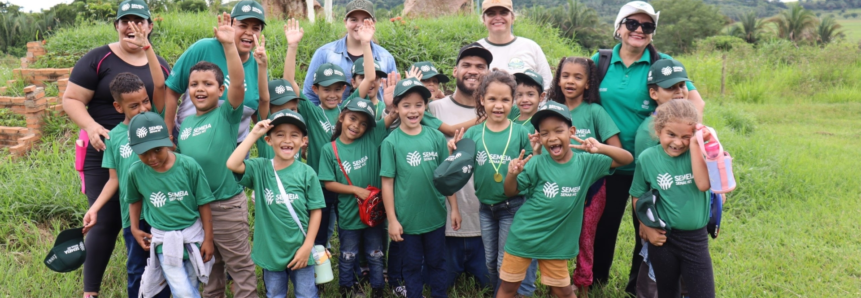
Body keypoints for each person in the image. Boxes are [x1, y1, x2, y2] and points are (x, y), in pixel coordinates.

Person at [590, 2, 705, 293]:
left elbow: (694, 102)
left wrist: (693, 139)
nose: (639, 30)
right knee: (603, 226)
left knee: (648, 227)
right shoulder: (600, 60)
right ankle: (596, 281)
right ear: (619, 27)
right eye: (632, 24)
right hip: (608, 162)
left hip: (651, 162)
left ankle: (638, 285)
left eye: (647, 26)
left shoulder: (661, 62)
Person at [62, 1, 170, 296]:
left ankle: (153, 281)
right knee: (105, 219)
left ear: (150, 26)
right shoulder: (98, 58)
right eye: (125, 21)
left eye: (139, 21)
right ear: (116, 25)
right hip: (105, 152)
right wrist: (92, 126)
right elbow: (71, 99)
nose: (132, 27)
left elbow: (164, 98)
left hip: (148, 156)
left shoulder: (158, 65)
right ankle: (91, 291)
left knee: (148, 217)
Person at [497, 101, 633, 298]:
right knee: (509, 288)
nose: (552, 138)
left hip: (557, 244)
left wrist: (600, 147)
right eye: (545, 133)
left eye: (558, 130)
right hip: (524, 236)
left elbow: (626, 159)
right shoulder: (536, 162)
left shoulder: (587, 163)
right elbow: (510, 191)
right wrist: (511, 175)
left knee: (563, 290)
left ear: (572, 131)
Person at [174, 13, 257, 298]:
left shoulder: (226, 114)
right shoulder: (185, 126)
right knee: (209, 271)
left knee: (241, 269)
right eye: (194, 84)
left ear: (220, 90)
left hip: (226, 207)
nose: (200, 89)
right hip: (199, 211)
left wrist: (229, 45)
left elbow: (237, 83)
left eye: (208, 84)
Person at [447, 70, 538, 296]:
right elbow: (459, 171)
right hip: (485, 208)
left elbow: (532, 168)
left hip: (513, 206)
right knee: (490, 263)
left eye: (505, 100)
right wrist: (454, 155)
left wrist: (536, 153)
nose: (499, 105)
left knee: (503, 263)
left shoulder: (520, 132)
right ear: (482, 100)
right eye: (492, 99)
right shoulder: (475, 133)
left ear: (513, 101)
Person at [226, 111, 325, 298]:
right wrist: (253, 134)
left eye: (294, 135)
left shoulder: (307, 173)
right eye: (280, 134)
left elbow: (316, 211)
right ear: (268, 140)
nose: (287, 140)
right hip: (271, 251)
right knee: (275, 294)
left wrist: (307, 246)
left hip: (301, 249)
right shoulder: (261, 168)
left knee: (306, 294)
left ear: (304, 141)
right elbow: (232, 163)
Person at [546, 57, 622, 296]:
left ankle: (582, 285)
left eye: (578, 77)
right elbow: (533, 143)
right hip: (556, 189)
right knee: (556, 236)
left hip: (592, 189)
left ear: (588, 83)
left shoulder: (595, 112)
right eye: (566, 75)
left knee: (585, 239)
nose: (570, 81)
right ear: (558, 80)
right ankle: (556, 284)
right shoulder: (549, 109)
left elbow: (617, 153)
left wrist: (595, 159)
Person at [426, 44, 497, 293]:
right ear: (455, 70)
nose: (473, 71)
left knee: (493, 287)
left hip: (486, 225)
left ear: (489, 73)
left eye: (480, 66)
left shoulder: (500, 112)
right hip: (443, 227)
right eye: (466, 65)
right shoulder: (433, 110)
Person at [381, 78, 462, 298]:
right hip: (407, 222)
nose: (413, 111)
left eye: (418, 104)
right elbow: (387, 183)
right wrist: (392, 220)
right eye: (406, 105)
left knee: (437, 262)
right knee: (411, 266)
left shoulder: (435, 137)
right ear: (396, 108)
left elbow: (447, 176)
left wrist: (454, 208)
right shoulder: (391, 142)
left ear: (426, 106)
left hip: (435, 217)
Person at [125, 112, 215, 298]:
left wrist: (208, 238)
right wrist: (134, 228)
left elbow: (204, 203)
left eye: (157, 149)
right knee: (183, 292)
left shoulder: (189, 166)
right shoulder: (136, 172)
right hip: (163, 241)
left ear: (168, 141)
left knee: (190, 285)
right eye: (144, 153)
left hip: (192, 237)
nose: (152, 158)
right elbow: (134, 200)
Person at [629, 99, 714, 298]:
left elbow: (703, 184)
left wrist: (697, 145)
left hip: (695, 240)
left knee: (704, 293)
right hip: (663, 239)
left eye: (686, 136)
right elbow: (638, 196)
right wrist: (647, 227)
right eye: (671, 134)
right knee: (667, 292)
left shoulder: (698, 154)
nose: (678, 142)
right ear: (659, 130)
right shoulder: (647, 158)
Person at [318, 98, 397, 298]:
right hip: (348, 214)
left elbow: (393, 116)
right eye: (353, 118)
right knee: (347, 254)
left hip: (374, 214)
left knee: (376, 253)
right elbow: (328, 183)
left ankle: (378, 288)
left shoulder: (371, 137)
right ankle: (347, 287)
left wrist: (391, 103)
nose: (357, 126)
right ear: (342, 116)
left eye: (363, 123)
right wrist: (355, 190)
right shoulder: (330, 149)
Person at [167, 0, 266, 145]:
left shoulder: (259, 64)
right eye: (243, 26)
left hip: (233, 148)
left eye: (256, 28)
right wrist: (167, 136)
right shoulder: (203, 48)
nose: (249, 33)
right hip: (188, 141)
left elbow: (260, 110)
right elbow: (172, 90)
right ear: (231, 25)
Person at [633, 59, 693, 298]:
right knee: (656, 272)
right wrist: (645, 224)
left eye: (682, 85)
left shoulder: (692, 125)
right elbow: (642, 187)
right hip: (659, 219)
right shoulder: (648, 132)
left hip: (687, 217)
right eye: (671, 87)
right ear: (654, 93)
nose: (679, 92)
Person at [303, 0, 397, 106]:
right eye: (353, 20)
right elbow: (309, 96)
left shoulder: (386, 58)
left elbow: (393, 96)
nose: (360, 25)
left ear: (374, 23)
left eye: (366, 20)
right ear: (345, 22)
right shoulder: (324, 54)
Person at [476, 0, 553, 91]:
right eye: (491, 14)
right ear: (484, 20)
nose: (497, 18)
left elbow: (548, 87)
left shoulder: (531, 47)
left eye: (503, 13)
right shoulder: (476, 49)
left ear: (512, 18)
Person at [511, 70, 545, 134]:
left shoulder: (539, 125)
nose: (524, 100)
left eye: (530, 94)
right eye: (520, 95)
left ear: (541, 97)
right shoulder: (513, 114)